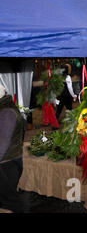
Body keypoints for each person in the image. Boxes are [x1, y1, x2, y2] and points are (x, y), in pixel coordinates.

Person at [0, 84, 27, 213]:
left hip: (7, 165)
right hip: (7, 161)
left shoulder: (6, 112)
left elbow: (2, 145)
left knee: (11, 203)